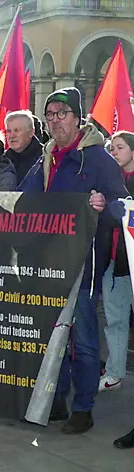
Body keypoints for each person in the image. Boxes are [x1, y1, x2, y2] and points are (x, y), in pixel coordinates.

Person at [13, 88, 129, 435]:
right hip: (47, 260)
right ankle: (58, 398)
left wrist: (102, 207)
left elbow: (121, 206)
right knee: (52, 332)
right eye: (49, 114)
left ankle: (84, 406)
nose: (54, 120)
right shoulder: (47, 156)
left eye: (61, 113)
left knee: (83, 335)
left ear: (78, 118)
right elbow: (24, 199)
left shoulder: (96, 158)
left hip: (83, 260)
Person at [99, 132, 134, 397]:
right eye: (111, 148)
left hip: (130, 261)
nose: (114, 152)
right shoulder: (111, 181)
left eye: (120, 148)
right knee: (114, 320)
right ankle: (114, 373)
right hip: (114, 262)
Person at [4, 110, 43, 185]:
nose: (12, 135)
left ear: (31, 132)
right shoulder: (1, 160)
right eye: (9, 131)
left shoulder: (45, 158)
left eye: (17, 130)